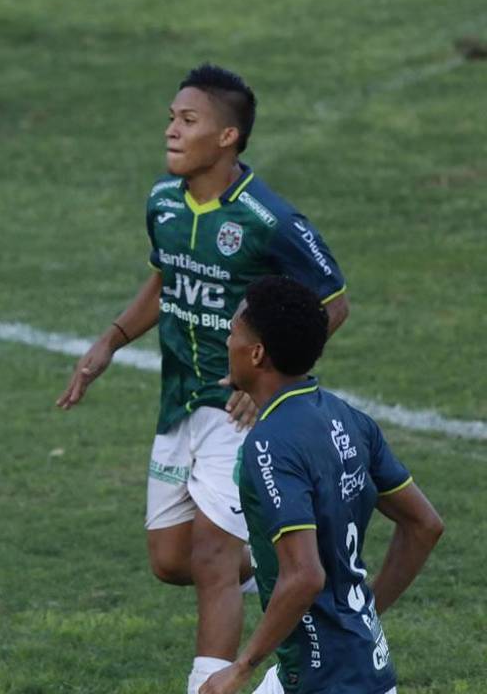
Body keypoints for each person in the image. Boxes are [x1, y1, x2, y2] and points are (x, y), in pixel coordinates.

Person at [57, 64, 351, 693]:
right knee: (171, 561)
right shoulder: (163, 202)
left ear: (227, 137)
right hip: (176, 404)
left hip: (236, 408)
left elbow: (335, 301)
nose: (170, 130)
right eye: (171, 117)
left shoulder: (270, 219)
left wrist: (268, 378)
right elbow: (166, 279)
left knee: (214, 557)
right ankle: (294, 579)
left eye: (187, 121)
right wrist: (110, 339)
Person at [199, 276, 443, 694]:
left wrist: (240, 667)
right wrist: (363, 615)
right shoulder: (349, 417)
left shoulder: (270, 443)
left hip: (328, 682)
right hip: (341, 667)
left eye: (233, 333)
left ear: (257, 354)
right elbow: (425, 525)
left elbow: (305, 576)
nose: (227, 342)